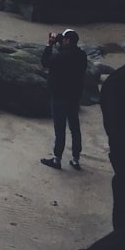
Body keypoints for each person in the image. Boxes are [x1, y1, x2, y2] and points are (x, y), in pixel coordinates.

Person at [40, 28, 88, 170]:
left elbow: (45, 62)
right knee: (75, 128)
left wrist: (50, 45)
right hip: (74, 96)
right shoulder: (81, 55)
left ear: (67, 40)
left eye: (64, 39)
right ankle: (75, 158)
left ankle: (57, 159)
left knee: (59, 128)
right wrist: (60, 43)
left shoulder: (62, 56)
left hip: (59, 96)